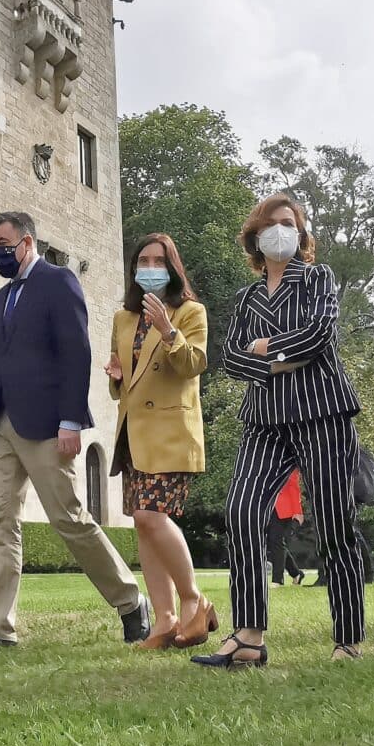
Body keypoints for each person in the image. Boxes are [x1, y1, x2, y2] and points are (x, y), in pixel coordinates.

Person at [196, 194, 368, 667]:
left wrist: (264, 349)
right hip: (265, 419)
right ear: (255, 235)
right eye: (271, 224)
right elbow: (229, 358)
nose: (280, 231)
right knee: (242, 509)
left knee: (335, 523)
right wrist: (280, 361)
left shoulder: (318, 278)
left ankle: (348, 638)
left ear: (302, 231)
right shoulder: (246, 297)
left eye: (288, 223)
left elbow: (319, 337)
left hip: (322, 411)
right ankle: (249, 637)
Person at [0, 211, 149, 647]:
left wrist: (71, 421)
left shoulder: (59, 282)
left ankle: (130, 601)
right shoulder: (0, 299)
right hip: (2, 424)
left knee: (69, 520)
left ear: (27, 242)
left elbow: (76, 353)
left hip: (48, 425)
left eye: (3, 243)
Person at [105, 232, 216, 650]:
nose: (150, 269)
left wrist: (169, 331)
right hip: (133, 433)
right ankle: (164, 621)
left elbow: (193, 366)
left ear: (172, 268)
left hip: (171, 434)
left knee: (154, 518)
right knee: (143, 525)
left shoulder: (191, 312)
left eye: (158, 261)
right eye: (143, 261)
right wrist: (117, 377)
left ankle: (194, 602)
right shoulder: (122, 319)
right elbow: (127, 380)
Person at [266, 470, 308, 585]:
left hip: (284, 508)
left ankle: (277, 580)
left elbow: (294, 487)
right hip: (268, 508)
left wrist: (297, 511)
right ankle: (296, 573)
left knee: (276, 542)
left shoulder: (289, 464)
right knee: (276, 543)